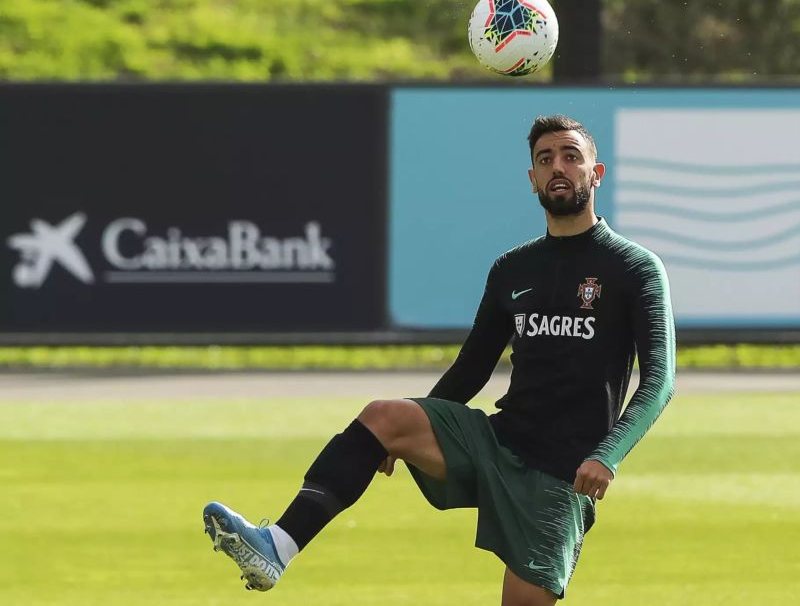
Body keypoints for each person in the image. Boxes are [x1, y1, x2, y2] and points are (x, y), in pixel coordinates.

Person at [202, 114, 676, 605]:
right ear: (531, 178)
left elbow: (659, 379)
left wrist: (608, 453)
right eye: (545, 159)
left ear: (595, 174)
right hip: (497, 442)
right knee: (383, 416)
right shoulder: (514, 267)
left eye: (571, 157)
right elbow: (472, 368)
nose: (558, 166)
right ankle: (276, 546)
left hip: (562, 473)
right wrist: (408, 429)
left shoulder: (633, 267)